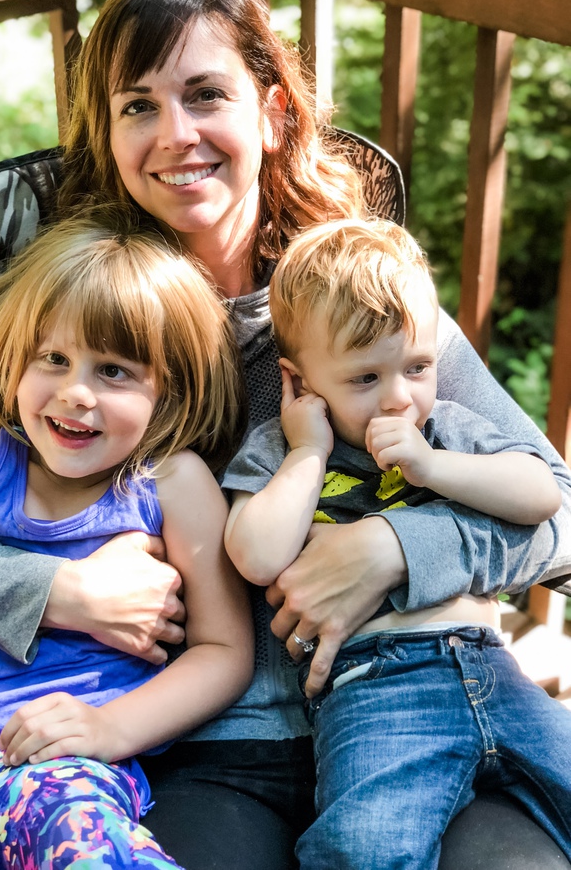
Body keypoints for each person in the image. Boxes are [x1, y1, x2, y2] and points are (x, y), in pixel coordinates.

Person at [0, 0, 570, 870]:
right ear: (107, 134)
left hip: (414, 704)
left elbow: (559, 515)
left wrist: (392, 551)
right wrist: (52, 595)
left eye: (204, 95)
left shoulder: (356, 302)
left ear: (272, 113)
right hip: (201, 749)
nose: (175, 135)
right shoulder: (79, 314)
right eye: (138, 107)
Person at [0, 209, 253, 869]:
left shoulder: (171, 486)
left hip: (54, 769)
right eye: (54, 359)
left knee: (83, 841)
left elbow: (223, 651)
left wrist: (107, 728)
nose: (75, 392)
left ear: (170, 392)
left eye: (114, 371)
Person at [223, 218, 571, 868]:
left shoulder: (447, 429)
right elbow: (255, 555)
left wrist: (432, 467)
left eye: (416, 367)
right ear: (298, 379)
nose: (398, 399)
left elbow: (542, 495)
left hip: (498, 671)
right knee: (363, 846)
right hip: (375, 686)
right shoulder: (281, 448)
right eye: (364, 379)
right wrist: (308, 452)